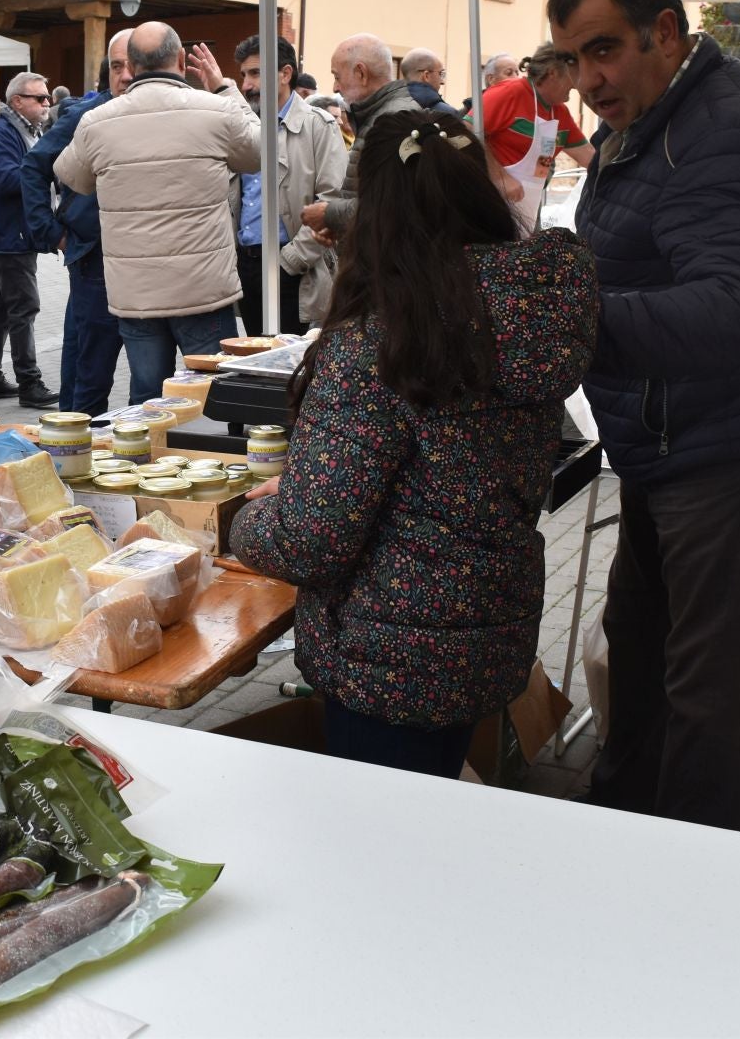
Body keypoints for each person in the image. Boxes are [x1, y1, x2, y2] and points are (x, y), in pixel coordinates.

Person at [548, 0, 740, 831]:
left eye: (603, 50)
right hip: (670, 437)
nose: (587, 79)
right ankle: (625, 821)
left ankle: (696, 876)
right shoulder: (650, 112)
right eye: (572, 59)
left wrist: (570, 320)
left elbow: (737, 310)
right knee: (637, 647)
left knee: (708, 691)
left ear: (665, 33)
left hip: (732, 447)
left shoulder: (722, 131)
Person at [231, 109, 599, 777]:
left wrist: (243, 523)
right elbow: (440, 468)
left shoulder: (383, 339)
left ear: (372, 214)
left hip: (388, 657)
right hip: (483, 626)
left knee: (386, 840)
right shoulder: (528, 308)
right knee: (430, 807)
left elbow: (312, 539)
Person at [55, 22, 261, 402]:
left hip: (137, 295)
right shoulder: (215, 110)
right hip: (203, 289)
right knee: (213, 397)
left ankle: (149, 459)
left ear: (131, 65)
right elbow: (257, 151)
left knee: (149, 397)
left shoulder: (97, 122)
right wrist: (224, 86)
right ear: (181, 59)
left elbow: (71, 176)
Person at [23, 29, 134, 416]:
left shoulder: (156, 112)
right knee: (88, 376)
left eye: (133, 65)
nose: (125, 75)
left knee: (147, 381)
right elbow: (34, 166)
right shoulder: (86, 116)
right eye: (117, 66)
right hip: (93, 262)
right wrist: (51, 233)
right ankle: (71, 456)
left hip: (144, 265)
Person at [229, 33, 346, 335]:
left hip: (294, 267)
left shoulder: (318, 125)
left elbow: (331, 200)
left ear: (285, 74)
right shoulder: (243, 127)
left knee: (292, 369)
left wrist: (290, 262)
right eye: (243, 75)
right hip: (248, 264)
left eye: (255, 73)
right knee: (255, 364)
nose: (246, 85)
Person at [0, 70, 58, 408]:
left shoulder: (18, 128)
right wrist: (44, 166)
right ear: (17, 100)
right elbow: (8, 179)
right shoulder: (0, 131)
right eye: (40, 98)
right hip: (9, 236)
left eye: (47, 98)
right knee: (25, 306)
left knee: (4, 309)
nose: (46, 104)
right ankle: (29, 382)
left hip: (13, 233)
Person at [300, 33, 421, 240]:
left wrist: (328, 214)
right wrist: (341, 227)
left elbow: (394, 206)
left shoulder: (394, 120)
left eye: (337, 76)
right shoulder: (383, 116)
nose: (335, 87)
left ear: (361, 73)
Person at [479, 41, 596, 233]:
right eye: (573, 73)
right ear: (553, 73)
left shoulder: (560, 113)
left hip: (529, 208)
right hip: (490, 204)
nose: (577, 83)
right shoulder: (508, 93)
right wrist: (500, 177)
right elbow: (467, 132)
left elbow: (588, 155)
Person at [399, 48, 458, 116]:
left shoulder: (388, 105)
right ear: (426, 76)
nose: (442, 82)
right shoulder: (446, 114)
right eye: (441, 73)